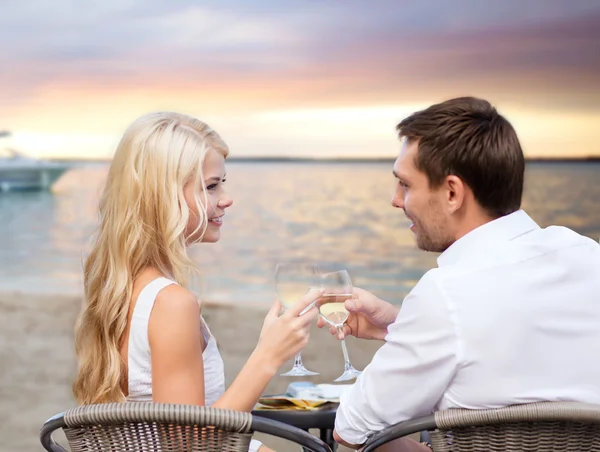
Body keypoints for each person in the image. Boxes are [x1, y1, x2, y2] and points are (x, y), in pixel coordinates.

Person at [318, 97, 600, 450]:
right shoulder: (588, 255)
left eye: (405, 184)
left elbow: (353, 428)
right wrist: (401, 325)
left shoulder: (447, 293)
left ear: (452, 193)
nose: (395, 200)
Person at [73, 112, 320, 452]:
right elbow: (189, 446)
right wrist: (268, 355)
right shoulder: (171, 303)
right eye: (211, 185)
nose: (226, 198)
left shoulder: (122, 285)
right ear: (163, 196)